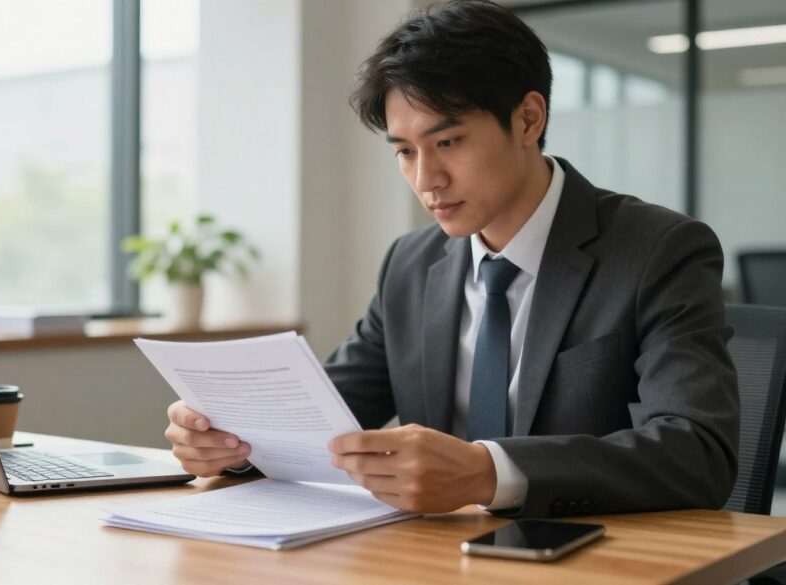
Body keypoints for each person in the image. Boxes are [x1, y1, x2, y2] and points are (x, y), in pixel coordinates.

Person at [163, 0, 739, 518]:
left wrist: (488, 473)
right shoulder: (410, 264)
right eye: (404, 152)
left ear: (528, 119)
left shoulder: (657, 249)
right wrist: (231, 444)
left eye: (448, 143)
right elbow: (323, 416)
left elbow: (696, 452)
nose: (426, 179)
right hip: (436, 560)